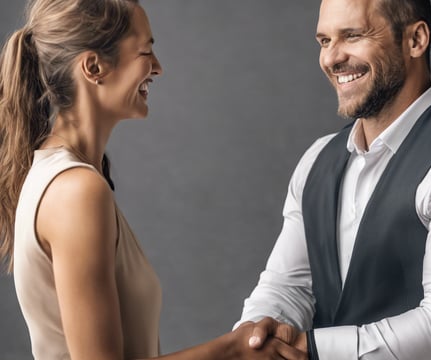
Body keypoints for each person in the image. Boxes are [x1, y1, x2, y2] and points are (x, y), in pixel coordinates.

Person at [0, 1, 308, 359]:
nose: (158, 68)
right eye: (145, 51)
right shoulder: (75, 191)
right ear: (94, 67)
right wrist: (234, 349)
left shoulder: (62, 176)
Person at [236, 0, 431, 359]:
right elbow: (288, 285)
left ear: (416, 39)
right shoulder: (317, 159)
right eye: (324, 41)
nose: (332, 58)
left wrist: (306, 348)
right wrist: (256, 335)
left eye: (353, 35)